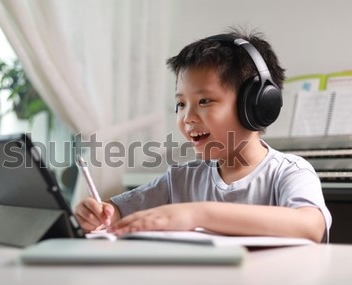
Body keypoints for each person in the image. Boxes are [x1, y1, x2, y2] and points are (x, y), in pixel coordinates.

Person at [74, 29, 332, 243]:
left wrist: (197, 214)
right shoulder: (180, 180)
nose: (187, 118)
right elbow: (117, 212)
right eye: (181, 104)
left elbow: (310, 225)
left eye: (205, 101)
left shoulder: (289, 173)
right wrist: (98, 214)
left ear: (256, 105)